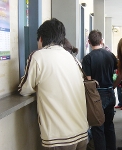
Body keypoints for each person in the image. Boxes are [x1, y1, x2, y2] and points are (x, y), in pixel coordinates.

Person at [18, 18, 89, 150]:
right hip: (82, 133)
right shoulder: (73, 59)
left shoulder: (38, 56)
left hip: (59, 138)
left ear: (40, 39)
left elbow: (24, 89)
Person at [82, 29, 117, 150]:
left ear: (89, 42)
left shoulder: (88, 58)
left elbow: (89, 80)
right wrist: (114, 84)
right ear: (102, 41)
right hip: (110, 92)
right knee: (109, 125)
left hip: (97, 96)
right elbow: (118, 71)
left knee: (98, 128)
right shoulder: (110, 55)